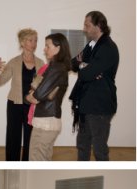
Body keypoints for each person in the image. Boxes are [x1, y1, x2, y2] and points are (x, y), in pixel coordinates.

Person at [70, 11, 119, 161]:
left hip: (100, 106)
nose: (84, 29)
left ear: (98, 25)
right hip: (86, 104)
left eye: (87, 25)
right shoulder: (91, 45)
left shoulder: (108, 48)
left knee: (99, 150)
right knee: (82, 145)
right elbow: (73, 64)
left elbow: (86, 74)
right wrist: (85, 66)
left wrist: (84, 66)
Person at [0, 29, 44, 161]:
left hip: (32, 106)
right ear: (22, 42)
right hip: (14, 105)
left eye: (35, 40)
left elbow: (43, 86)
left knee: (30, 138)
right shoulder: (14, 62)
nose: (34, 43)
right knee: (13, 137)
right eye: (30, 40)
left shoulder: (40, 63)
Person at [26, 34, 71, 161]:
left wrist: (32, 96)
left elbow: (37, 95)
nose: (44, 49)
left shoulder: (56, 68)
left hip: (45, 122)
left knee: (36, 159)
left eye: (47, 46)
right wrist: (33, 95)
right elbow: (35, 91)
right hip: (48, 120)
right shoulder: (55, 67)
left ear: (58, 48)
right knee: (44, 159)